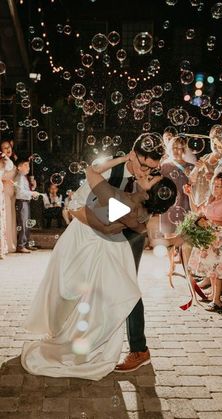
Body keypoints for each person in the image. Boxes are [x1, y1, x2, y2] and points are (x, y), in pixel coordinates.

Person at [21, 153, 175, 380]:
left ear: (148, 193)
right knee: (115, 292)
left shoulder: (125, 204)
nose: (149, 173)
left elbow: (90, 179)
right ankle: (108, 338)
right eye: (150, 171)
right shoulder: (137, 205)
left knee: (112, 293)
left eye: (152, 176)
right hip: (107, 244)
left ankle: (131, 347)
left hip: (109, 248)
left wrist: (123, 159)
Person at [69, 133, 164, 372]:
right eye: (144, 165)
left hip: (130, 234)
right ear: (134, 155)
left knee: (128, 286)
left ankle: (139, 349)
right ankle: (92, 338)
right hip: (104, 232)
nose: (147, 172)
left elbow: (148, 214)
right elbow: (88, 184)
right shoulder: (115, 169)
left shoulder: (155, 180)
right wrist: (120, 160)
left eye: (154, 168)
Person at [185, 171, 222, 312]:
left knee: (218, 270)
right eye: (214, 185)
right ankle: (213, 295)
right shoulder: (210, 200)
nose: (215, 188)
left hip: (219, 239)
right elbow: (197, 211)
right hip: (208, 238)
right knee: (211, 269)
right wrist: (190, 194)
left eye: (218, 186)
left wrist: (212, 223)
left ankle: (217, 300)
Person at [15, 157, 39, 253]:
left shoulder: (24, 177)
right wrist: (32, 193)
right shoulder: (19, 177)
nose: (28, 167)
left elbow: (25, 190)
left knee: (27, 223)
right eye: (26, 165)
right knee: (23, 224)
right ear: (19, 167)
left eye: (28, 165)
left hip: (25, 202)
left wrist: (32, 189)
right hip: (21, 202)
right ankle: (21, 245)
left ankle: (26, 243)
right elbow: (19, 193)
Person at [0, 140, 17, 253]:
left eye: (9, 146)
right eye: (5, 148)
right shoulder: (3, 162)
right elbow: (4, 176)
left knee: (11, 218)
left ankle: (10, 244)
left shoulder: (10, 161)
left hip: (11, 193)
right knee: (5, 219)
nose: (8, 149)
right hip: (3, 193)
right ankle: (6, 245)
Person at [0, 152, 14, 259]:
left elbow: (10, 166)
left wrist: (4, 157)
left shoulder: (4, 162)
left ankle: (1, 250)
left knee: (1, 222)